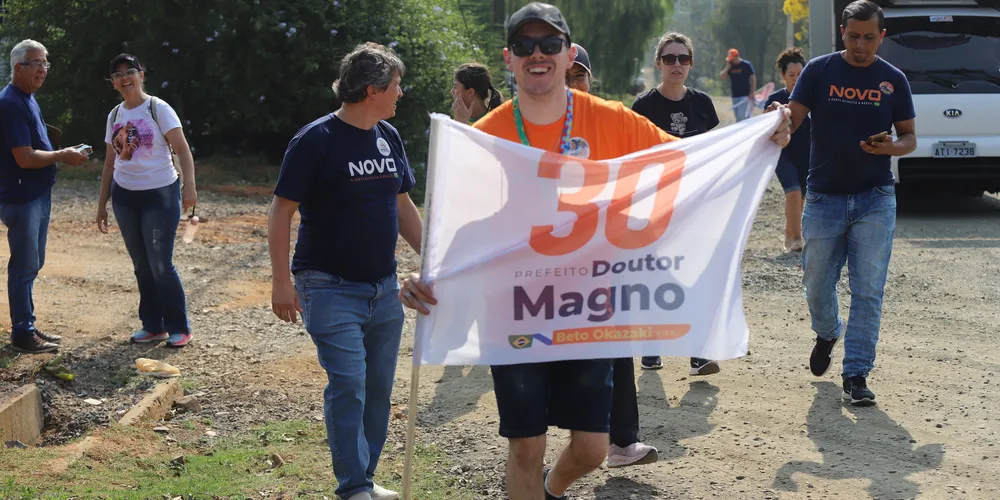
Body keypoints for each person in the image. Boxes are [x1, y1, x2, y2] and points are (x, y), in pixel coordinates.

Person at [398, 4, 792, 499]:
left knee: (591, 449)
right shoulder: (485, 136)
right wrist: (424, 277)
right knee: (526, 446)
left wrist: (760, 138)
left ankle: (551, 489)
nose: (537, 54)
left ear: (568, 55)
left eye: (549, 44)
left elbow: (687, 167)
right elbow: (459, 228)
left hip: (588, 309)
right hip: (516, 310)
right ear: (508, 57)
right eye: (524, 45)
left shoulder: (612, 121)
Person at [268, 42, 423, 500]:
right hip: (327, 286)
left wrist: (436, 260)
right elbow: (281, 211)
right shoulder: (315, 140)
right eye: (396, 86)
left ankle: (365, 479)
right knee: (350, 384)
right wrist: (281, 282)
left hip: (384, 288)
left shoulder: (388, 135)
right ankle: (353, 486)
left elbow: (402, 205)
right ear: (372, 89)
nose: (400, 94)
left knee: (377, 389)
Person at [778, 0, 916, 406]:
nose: (860, 45)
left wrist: (891, 147)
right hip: (824, 196)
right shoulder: (818, 71)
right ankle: (827, 331)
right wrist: (778, 118)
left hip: (876, 197)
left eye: (869, 38)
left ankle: (856, 373)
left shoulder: (894, 79)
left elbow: (909, 137)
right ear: (842, 33)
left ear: (881, 36)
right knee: (816, 281)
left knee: (868, 289)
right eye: (853, 37)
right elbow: (792, 118)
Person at [566, 41, 659, 469]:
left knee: (617, 347)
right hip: (550, 265)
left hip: (605, 255)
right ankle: (540, 454)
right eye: (566, 76)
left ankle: (622, 443)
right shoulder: (530, 125)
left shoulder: (611, 120)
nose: (574, 84)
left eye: (580, 76)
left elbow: (666, 154)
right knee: (553, 358)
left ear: (590, 78)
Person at [631, 32, 722, 376]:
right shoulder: (643, 106)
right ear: (659, 63)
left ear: (691, 64)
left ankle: (697, 353)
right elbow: (633, 159)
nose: (676, 64)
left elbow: (713, 151)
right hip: (655, 204)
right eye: (669, 58)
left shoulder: (702, 104)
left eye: (683, 58)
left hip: (694, 203)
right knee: (655, 275)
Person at [95, 53, 196, 348]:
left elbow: (183, 150)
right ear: (113, 82)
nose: (124, 78)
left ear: (141, 74)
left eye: (129, 71)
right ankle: (153, 326)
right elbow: (109, 163)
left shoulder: (158, 108)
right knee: (141, 264)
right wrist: (102, 204)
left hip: (160, 195)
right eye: (117, 74)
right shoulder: (114, 115)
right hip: (125, 197)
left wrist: (189, 187)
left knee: (160, 264)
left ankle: (179, 327)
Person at [0, 39, 89, 354]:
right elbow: (24, 157)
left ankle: (27, 324)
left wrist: (61, 151)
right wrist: (63, 154)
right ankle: (22, 334)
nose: (43, 69)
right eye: (36, 63)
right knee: (25, 265)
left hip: (35, 193)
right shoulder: (10, 103)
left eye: (46, 62)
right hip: (22, 196)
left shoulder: (27, 97)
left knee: (32, 263)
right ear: (18, 67)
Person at [765, 48, 810, 253]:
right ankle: (797, 239)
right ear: (783, 75)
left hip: (806, 155)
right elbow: (765, 128)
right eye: (791, 74)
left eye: (800, 74)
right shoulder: (775, 100)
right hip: (782, 154)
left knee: (800, 198)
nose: (796, 79)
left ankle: (789, 232)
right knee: (793, 192)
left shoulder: (812, 99)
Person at [720, 48, 756, 122]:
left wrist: (752, 92)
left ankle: (747, 125)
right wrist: (727, 67)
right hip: (735, 95)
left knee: (741, 116)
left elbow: (753, 78)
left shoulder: (746, 65)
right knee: (738, 117)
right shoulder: (730, 66)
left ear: (737, 56)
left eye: (732, 59)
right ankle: (747, 124)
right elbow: (722, 77)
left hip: (745, 95)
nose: (731, 61)